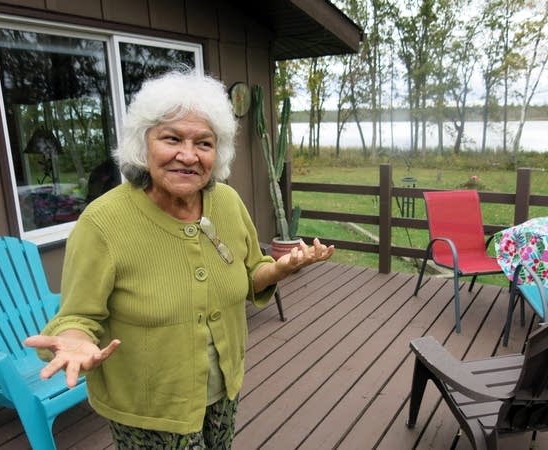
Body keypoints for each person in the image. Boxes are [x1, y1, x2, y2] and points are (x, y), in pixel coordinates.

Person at [24, 69, 334, 449]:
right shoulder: (103, 223)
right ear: (144, 144)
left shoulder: (228, 203)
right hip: (148, 407)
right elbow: (78, 316)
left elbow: (251, 272)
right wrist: (73, 339)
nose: (188, 155)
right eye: (172, 138)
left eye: (203, 143)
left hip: (223, 391)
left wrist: (280, 269)